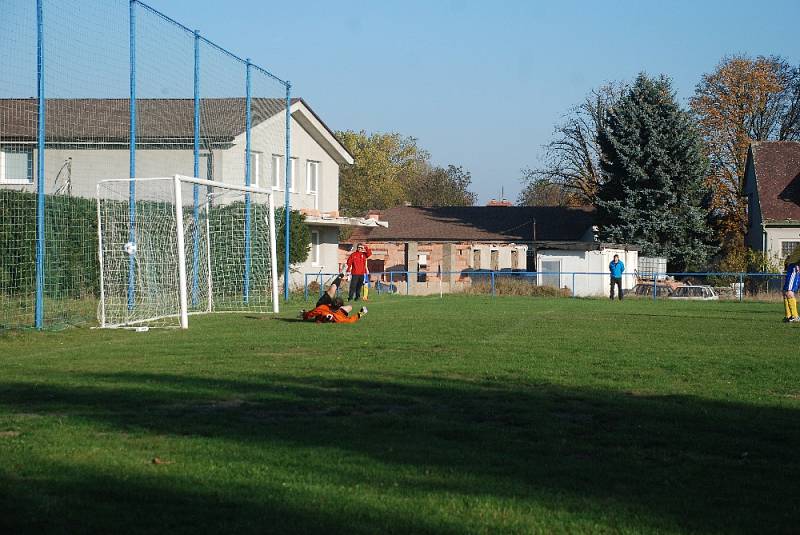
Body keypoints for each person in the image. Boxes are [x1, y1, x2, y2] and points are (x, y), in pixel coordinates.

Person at [301, 273, 367, 323]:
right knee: (350, 307)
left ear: (331, 303)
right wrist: (360, 313)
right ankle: (340, 276)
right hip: (330, 310)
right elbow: (349, 320)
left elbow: (311, 313)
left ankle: (340, 276)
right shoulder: (338, 317)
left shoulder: (322, 308)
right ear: (339, 307)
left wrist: (304, 314)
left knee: (333, 288)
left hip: (323, 305)